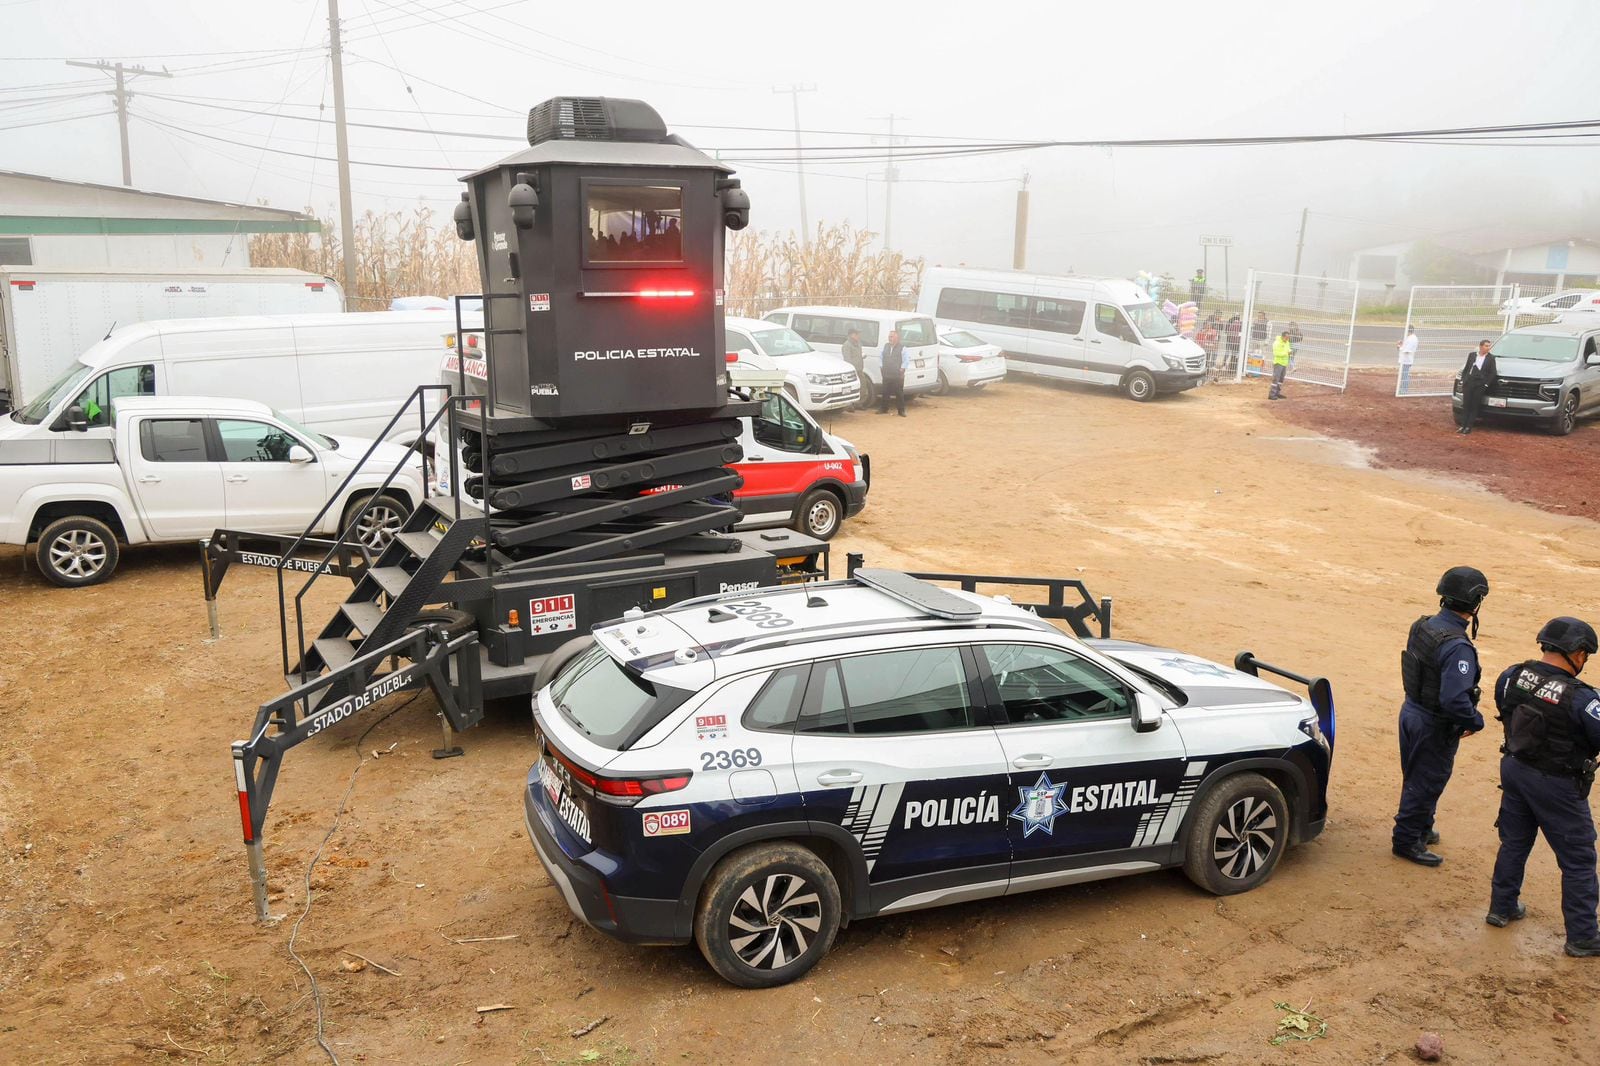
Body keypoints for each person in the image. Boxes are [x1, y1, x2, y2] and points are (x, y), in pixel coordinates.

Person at [1486, 617, 1600, 956]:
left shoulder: (1512, 675)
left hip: (1515, 768)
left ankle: (1501, 907)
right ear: (1578, 654)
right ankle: (1582, 936)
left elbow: (1504, 708)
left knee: (1514, 842)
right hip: (1557, 784)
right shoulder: (1583, 699)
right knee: (1578, 859)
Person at [1392, 566, 1490, 867]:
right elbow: (1453, 699)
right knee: (1426, 781)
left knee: (1416, 774)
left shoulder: (1422, 625)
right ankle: (1407, 840)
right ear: (1475, 603)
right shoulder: (1457, 647)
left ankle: (1422, 827)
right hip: (1434, 723)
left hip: (1411, 711)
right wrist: (1474, 720)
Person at [1457, 339, 1497, 435]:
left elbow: (1493, 372)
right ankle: (1463, 425)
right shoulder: (1472, 355)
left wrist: (1486, 384)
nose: (1488, 348)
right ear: (1480, 346)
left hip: (1480, 384)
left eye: (1489, 346)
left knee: (1474, 406)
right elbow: (1466, 368)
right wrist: (1464, 380)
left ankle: (1468, 427)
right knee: (1466, 404)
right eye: (1486, 346)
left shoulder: (1491, 358)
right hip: (1469, 383)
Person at [877, 329, 908, 417]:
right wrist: (881, 366)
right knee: (885, 392)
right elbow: (881, 357)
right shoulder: (885, 346)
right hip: (886, 373)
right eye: (889, 337)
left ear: (897, 338)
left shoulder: (902, 348)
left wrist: (902, 369)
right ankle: (884, 408)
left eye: (891, 337)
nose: (889, 338)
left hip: (897, 374)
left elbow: (906, 360)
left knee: (899, 393)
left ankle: (901, 411)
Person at [1268, 330, 1291, 400]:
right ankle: (1272, 394)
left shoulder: (1287, 342)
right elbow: (1276, 353)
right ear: (1283, 337)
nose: (1287, 339)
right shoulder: (1277, 343)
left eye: (1288, 338)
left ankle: (1277, 393)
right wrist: (1286, 353)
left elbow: (1288, 349)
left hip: (1284, 363)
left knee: (1281, 379)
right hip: (1278, 363)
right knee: (1276, 379)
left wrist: (1289, 351)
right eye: (1286, 338)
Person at [1397, 326, 1419, 394]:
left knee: (1404, 376)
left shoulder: (1412, 339)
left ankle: (1404, 391)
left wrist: (1399, 347)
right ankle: (1402, 389)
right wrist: (1401, 344)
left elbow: (1407, 350)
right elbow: (1405, 347)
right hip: (1405, 360)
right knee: (1404, 376)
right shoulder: (1410, 337)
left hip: (1406, 361)